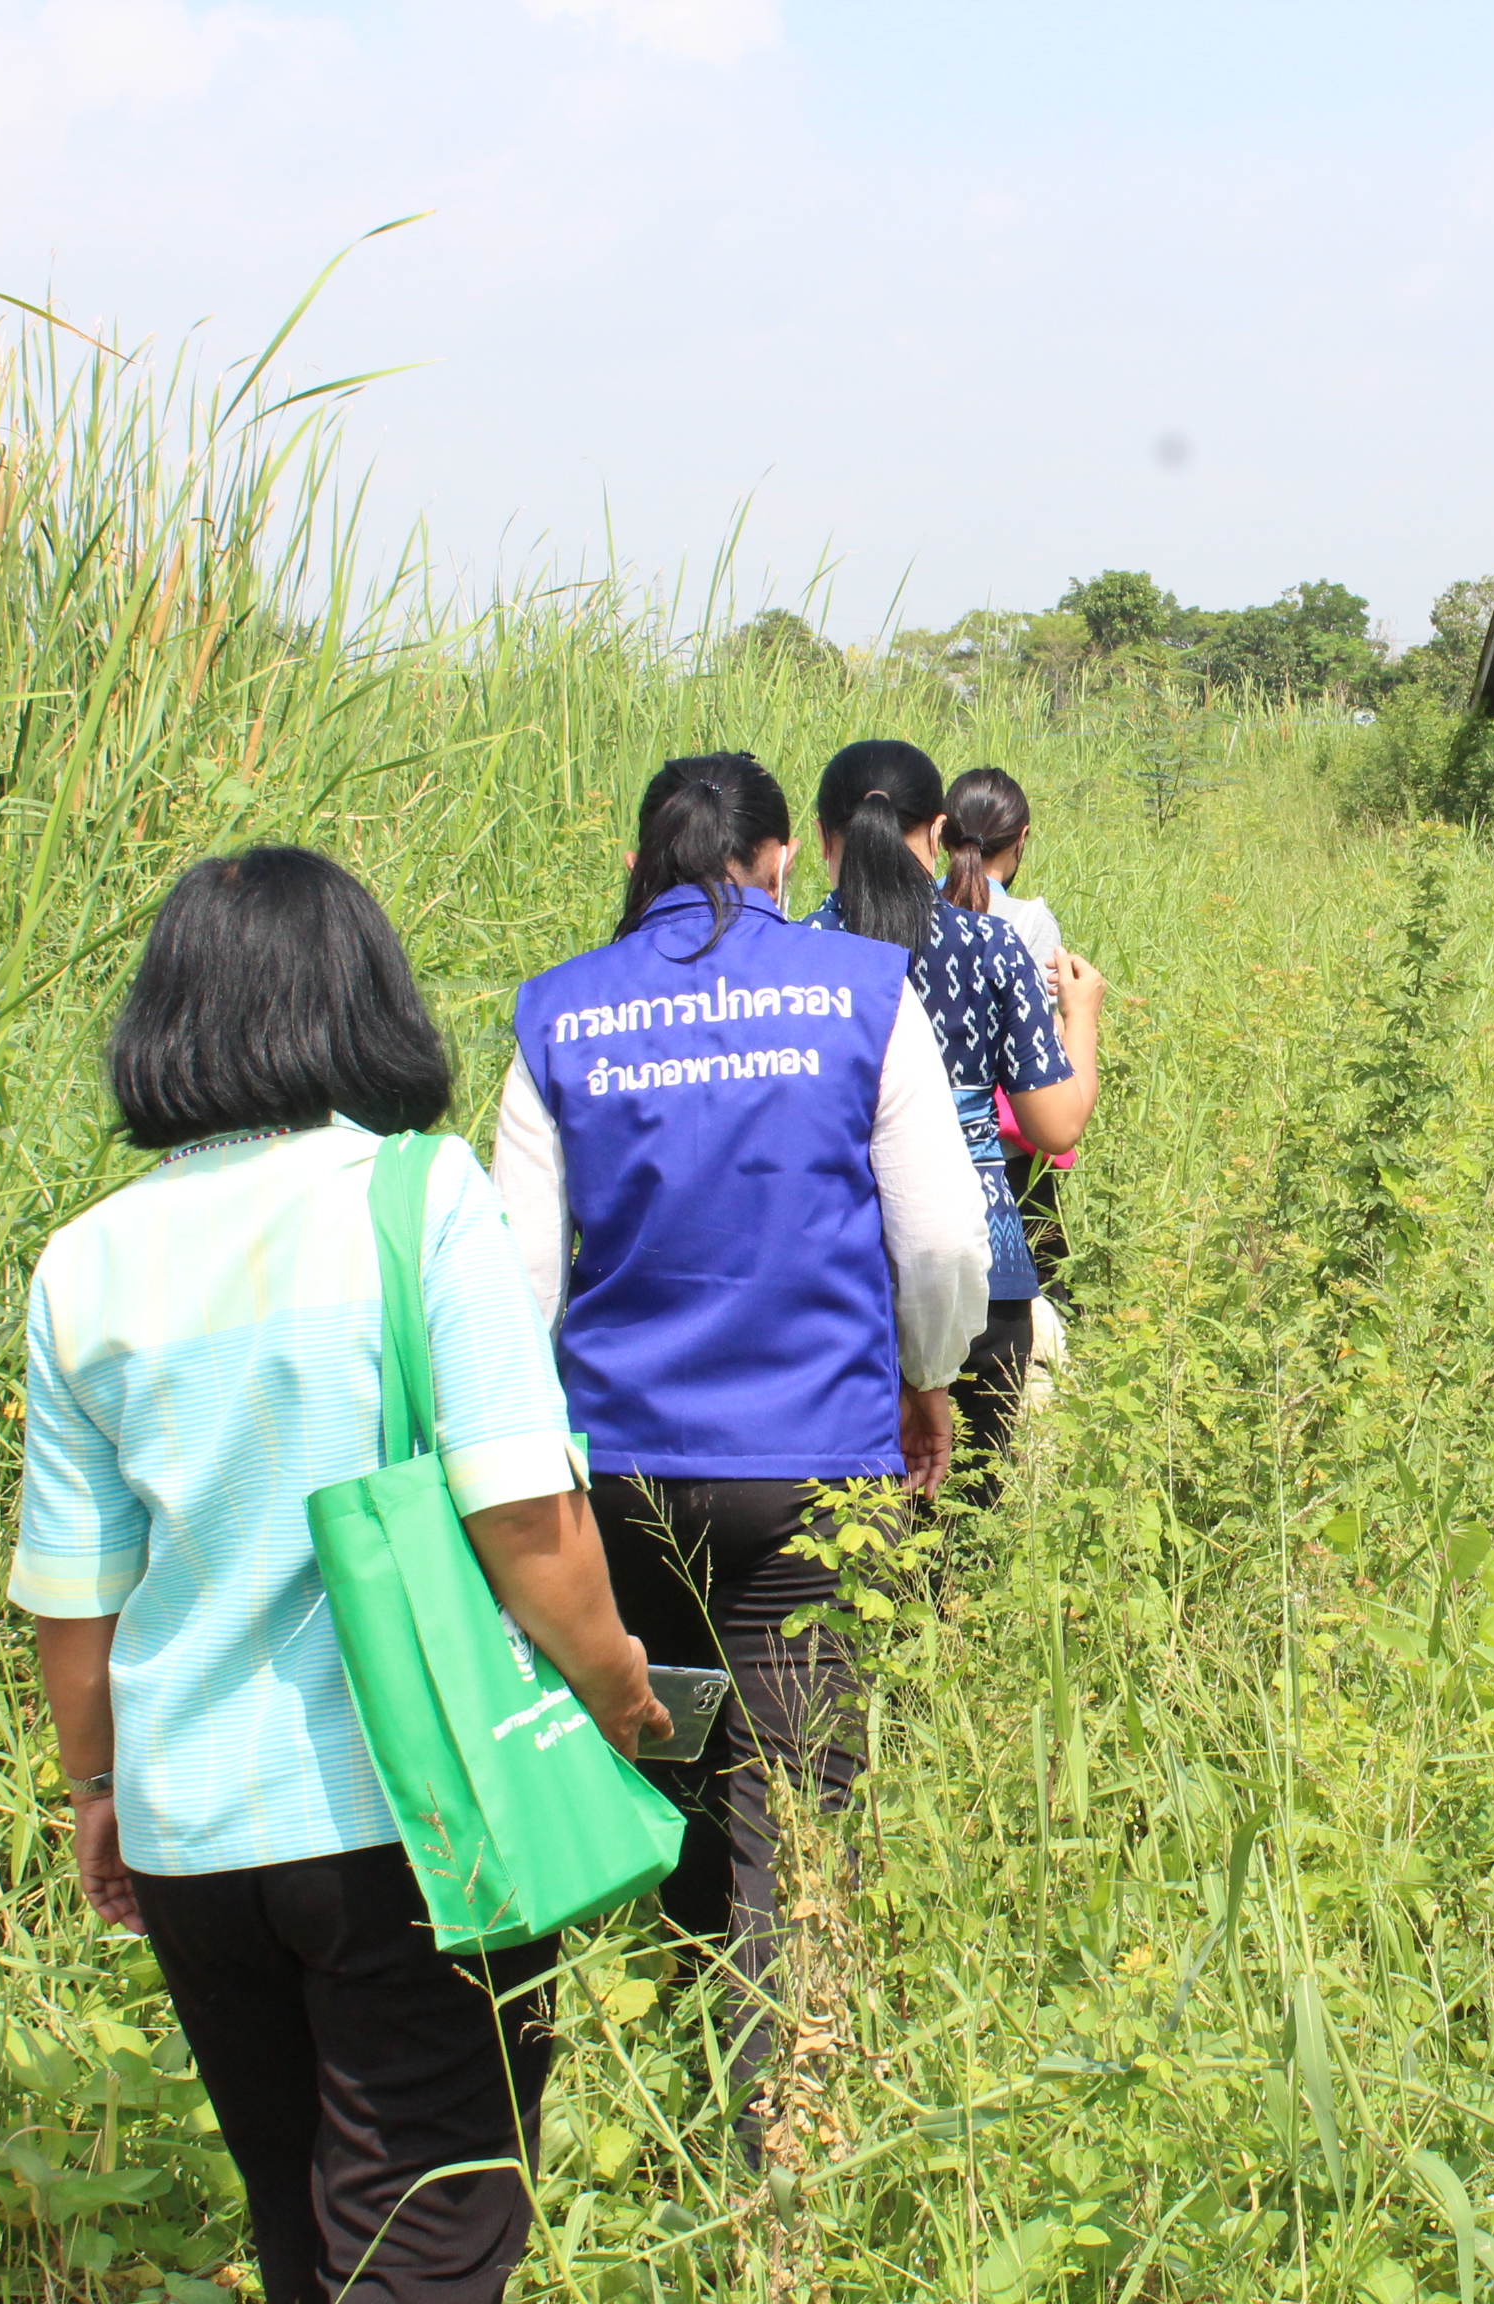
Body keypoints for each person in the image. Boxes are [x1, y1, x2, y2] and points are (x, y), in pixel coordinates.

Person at [18, 846, 664, 2304]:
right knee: (429, 2228)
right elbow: (523, 1516)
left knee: (304, 2224)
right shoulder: (418, 1196)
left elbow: (76, 1592)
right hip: (402, 1825)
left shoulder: (85, 1263)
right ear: (358, 1003)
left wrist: (97, 1796)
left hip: (191, 1837)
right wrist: (616, 1680)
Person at [489, 751, 989, 2124]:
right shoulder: (861, 992)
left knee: (682, 1767)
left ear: (647, 857)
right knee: (796, 1793)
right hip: (813, 1461)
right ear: (779, 858)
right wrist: (923, 1373)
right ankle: (779, 2136)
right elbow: (943, 1236)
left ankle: (683, 2075)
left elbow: (517, 1289)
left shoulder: (558, 1016)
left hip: (622, 1486)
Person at [804, 740, 1103, 1496]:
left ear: (820, 839)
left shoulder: (792, 957)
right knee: (964, 1530)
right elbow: (1055, 1126)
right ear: (936, 833)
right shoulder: (990, 945)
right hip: (982, 1268)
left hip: (834, 1273)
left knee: (845, 1541)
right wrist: (1082, 1015)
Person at [939, 767, 1077, 1306]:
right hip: (1010, 1151)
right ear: (1020, 840)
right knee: (1038, 1307)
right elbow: (1043, 1043)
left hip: (930, 1144)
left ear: (941, 832)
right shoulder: (1029, 921)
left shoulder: (916, 911)